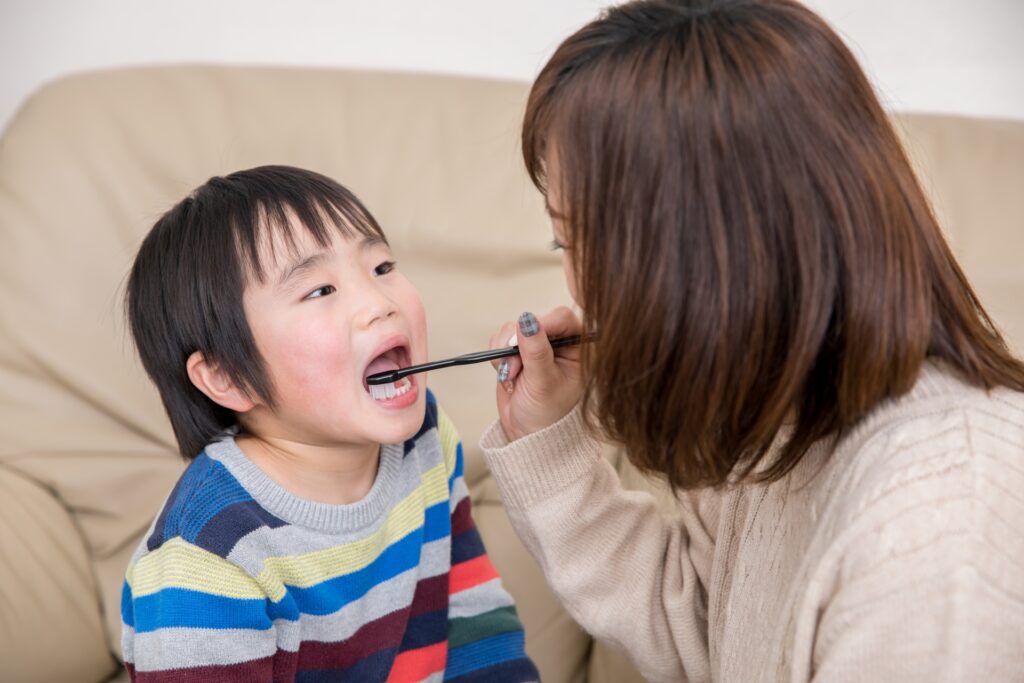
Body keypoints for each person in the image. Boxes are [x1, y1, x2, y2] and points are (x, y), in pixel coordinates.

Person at [482, 1, 1024, 681]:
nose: (576, 284)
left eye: (574, 238)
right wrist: (552, 438)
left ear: (698, 250)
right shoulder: (775, 418)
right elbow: (704, 630)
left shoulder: (937, 525)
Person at [120, 165, 539, 682]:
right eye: (320, 290)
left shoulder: (425, 438)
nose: (380, 304)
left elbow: (478, 635)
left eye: (382, 267)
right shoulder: (207, 555)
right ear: (229, 377)